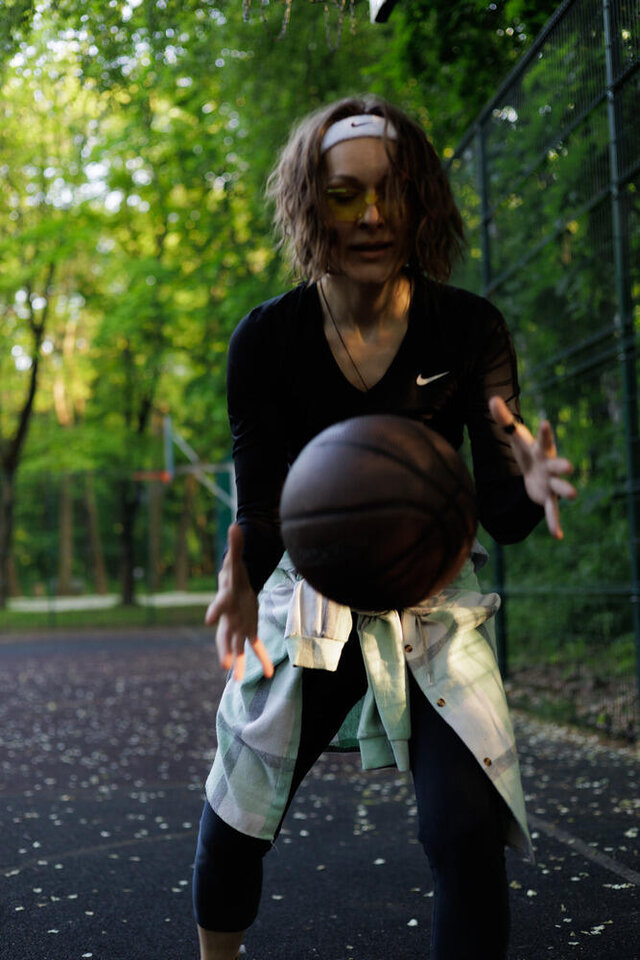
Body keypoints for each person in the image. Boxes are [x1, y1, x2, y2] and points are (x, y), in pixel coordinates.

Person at [193, 96, 577, 960]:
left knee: (465, 830)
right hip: (313, 588)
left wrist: (527, 485)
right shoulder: (267, 339)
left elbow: (502, 515)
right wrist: (241, 579)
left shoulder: (467, 328)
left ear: (420, 202)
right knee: (238, 811)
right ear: (310, 203)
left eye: (391, 191)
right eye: (344, 193)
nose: (371, 215)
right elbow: (262, 510)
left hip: (431, 593)